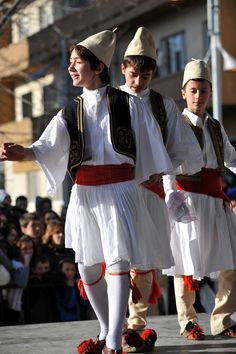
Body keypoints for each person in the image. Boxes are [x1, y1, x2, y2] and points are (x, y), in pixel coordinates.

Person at [0, 29, 174, 354]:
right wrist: (21, 152)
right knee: (87, 266)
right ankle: (108, 328)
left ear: (97, 67)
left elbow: (152, 150)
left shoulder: (129, 105)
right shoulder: (70, 110)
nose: (70, 68)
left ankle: (113, 343)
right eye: (70, 62)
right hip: (84, 193)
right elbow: (46, 146)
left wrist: (162, 188)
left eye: (77, 62)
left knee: (118, 260)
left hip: (120, 190)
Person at [119, 27, 203, 352]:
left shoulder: (163, 105)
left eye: (145, 75)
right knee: (117, 256)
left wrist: (162, 169)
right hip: (117, 188)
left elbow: (184, 150)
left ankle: (135, 326)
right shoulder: (110, 99)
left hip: (150, 190)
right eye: (133, 74)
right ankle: (113, 326)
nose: (138, 81)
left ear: (152, 72)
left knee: (143, 258)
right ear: (123, 69)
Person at [162, 59, 236, 340]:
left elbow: (231, 158)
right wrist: (171, 197)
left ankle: (223, 318)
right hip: (187, 201)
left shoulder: (216, 126)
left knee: (231, 260)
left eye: (203, 90)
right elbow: (167, 164)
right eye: (193, 90)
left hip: (215, 201)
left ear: (210, 93)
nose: (198, 96)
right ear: (183, 92)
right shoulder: (176, 125)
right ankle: (188, 321)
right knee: (184, 263)